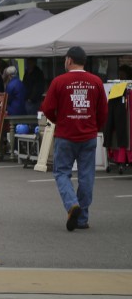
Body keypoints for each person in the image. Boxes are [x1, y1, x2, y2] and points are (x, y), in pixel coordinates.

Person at [41, 46, 107, 231]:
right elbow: (103, 111)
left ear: (69, 60)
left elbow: (47, 108)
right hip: (88, 135)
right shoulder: (96, 82)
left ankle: (72, 204)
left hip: (65, 135)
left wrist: (58, 120)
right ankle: (82, 218)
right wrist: (94, 126)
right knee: (87, 176)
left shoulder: (59, 82)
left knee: (62, 172)